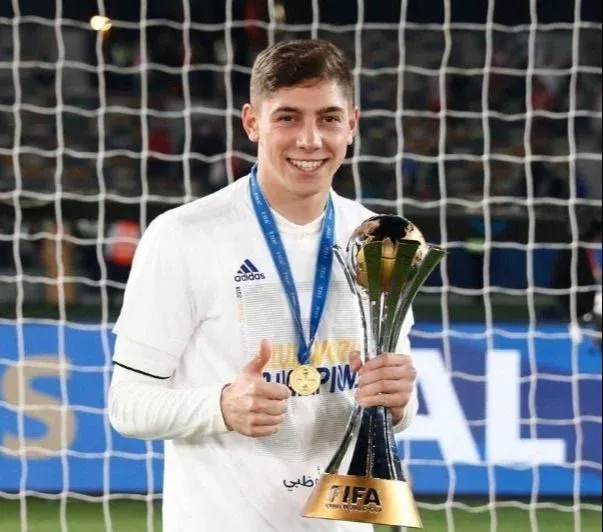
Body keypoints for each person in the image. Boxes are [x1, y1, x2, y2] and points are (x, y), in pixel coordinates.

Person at [108, 39, 419, 531]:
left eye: (329, 119)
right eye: (288, 118)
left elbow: (397, 407)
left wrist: (399, 400)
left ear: (352, 124)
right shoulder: (183, 235)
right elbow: (126, 405)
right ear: (252, 122)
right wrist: (221, 406)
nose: (310, 140)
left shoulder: (378, 239)